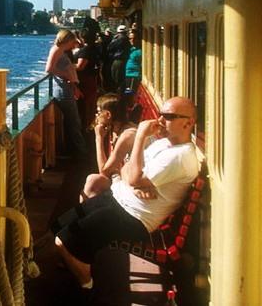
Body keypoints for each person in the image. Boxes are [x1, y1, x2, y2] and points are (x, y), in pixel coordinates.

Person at [51, 97, 200, 290]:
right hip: (118, 199)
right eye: (161, 115)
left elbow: (132, 177)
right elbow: (127, 171)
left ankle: (87, 287)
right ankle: (77, 261)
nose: (161, 120)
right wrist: (134, 179)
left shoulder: (181, 157)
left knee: (62, 241)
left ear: (188, 122)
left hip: (134, 217)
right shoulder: (165, 144)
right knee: (59, 225)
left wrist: (140, 139)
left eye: (169, 116)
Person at [80, 93, 140, 200]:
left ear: (108, 115)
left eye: (98, 112)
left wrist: (98, 138)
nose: (96, 116)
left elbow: (104, 172)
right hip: (124, 177)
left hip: (135, 186)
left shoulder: (128, 134)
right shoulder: (116, 130)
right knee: (92, 180)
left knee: (93, 181)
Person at [45, 29, 87, 158]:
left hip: (66, 88)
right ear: (67, 40)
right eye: (72, 41)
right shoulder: (57, 50)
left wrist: (73, 84)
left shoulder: (61, 50)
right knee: (74, 121)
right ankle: (82, 153)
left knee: (73, 121)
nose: (73, 44)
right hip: (62, 90)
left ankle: (77, 150)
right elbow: (49, 69)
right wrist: (66, 76)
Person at [75, 29, 100, 132]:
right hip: (91, 79)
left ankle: (86, 128)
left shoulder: (86, 50)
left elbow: (80, 66)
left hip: (85, 81)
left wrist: (67, 66)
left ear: (82, 38)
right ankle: (89, 126)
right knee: (89, 104)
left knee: (86, 105)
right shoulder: (93, 48)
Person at [107, 25, 130, 92]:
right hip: (122, 61)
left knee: (116, 79)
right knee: (120, 80)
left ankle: (118, 94)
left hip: (117, 61)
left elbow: (109, 48)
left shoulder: (116, 38)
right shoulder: (125, 38)